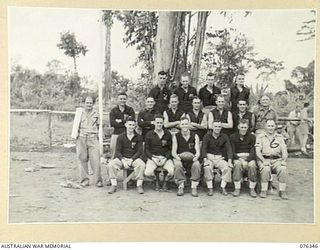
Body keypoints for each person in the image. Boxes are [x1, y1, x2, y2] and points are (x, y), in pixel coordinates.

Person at [107, 117, 145, 194]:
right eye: (129, 124)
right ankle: (114, 184)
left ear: (135, 126)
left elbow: (139, 151)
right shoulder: (121, 136)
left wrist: (131, 159)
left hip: (134, 158)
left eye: (133, 125)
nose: (131, 127)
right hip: (122, 158)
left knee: (142, 165)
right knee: (111, 164)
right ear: (125, 125)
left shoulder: (138, 137)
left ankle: (139, 185)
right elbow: (117, 151)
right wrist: (123, 160)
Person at [71, 95, 103, 188]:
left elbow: (98, 126)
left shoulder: (96, 113)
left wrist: (98, 137)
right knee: (82, 159)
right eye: (87, 103)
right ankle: (84, 180)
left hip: (93, 138)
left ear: (93, 104)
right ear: (84, 103)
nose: (89, 105)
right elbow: (75, 126)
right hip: (81, 137)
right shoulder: (79, 113)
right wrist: (75, 136)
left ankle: (98, 180)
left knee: (96, 159)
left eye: (91, 103)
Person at [255, 119, 289, 199]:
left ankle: (282, 191)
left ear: (275, 127)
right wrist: (263, 161)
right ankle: (264, 190)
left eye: (272, 126)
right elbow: (257, 151)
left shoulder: (280, 137)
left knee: (282, 169)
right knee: (265, 169)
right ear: (265, 127)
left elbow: (284, 151)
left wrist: (284, 161)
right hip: (264, 158)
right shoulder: (260, 137)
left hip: (277, 159)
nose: (270, 128)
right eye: (269, 126)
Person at [201, 120, 233, 196]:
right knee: (207, 167)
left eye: (219, 126)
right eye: (215, 126)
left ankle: (223, 187)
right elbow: (203, 149)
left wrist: (229, 161)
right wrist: (205, 160)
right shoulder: (207, 136)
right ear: (212, 127)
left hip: (220, 158)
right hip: (210, 157)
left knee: (227, 167)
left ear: (221, 127)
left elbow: (229, 149)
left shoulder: (224, 136)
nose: (217, 128)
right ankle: (210, 188)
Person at [144, 115, 175, 191]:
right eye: (157, 122)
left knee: (172, 171)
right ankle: (156, 181)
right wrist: (152, 158)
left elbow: (171, 149)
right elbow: (146, 149)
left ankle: (165, 182)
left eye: (161, 123)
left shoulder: (167, 134)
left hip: (165, 158)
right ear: (154, 123)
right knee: (147, 173)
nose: (159, 124)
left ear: (163, 123)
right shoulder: (149, 134)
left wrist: (166, 158)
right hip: (153, 158)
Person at [172, 117, 201, 197]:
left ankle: (194, 186)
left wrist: (196, 157)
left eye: (186, 124)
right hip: (180, 157)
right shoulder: (176, 136)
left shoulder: (195, 136)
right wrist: (178, 157)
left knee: (197, 164)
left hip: (191, 157)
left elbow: (197, 151)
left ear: (189, 125)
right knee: (177, 165)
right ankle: (181, 186)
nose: (184, 126)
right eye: (183, 124)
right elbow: (173, 152)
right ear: (180, 125)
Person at [230, 119, 257, 197]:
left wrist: (248, 160)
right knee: (237, 165)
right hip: (238, 157)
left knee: (252, 165)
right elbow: (232, 151)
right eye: (241, 127)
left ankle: (252, 188)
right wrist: (240, 159)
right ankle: (237, 188)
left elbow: (253, 151)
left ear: (248, 127)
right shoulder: (233, 137)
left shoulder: (252, 137)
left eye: (245, 127)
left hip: (249, 157)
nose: (243, 129)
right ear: (238, 127)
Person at [109, 92, 135, 159]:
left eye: (124, 99)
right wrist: (125, 121)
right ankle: (113, 164)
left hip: (127, 134)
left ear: (126, 99)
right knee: (114, 151)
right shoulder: (113, 111)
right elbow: (112, 123)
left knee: (128, 152)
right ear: (118, 100)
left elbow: (132, 121)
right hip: (116, 133)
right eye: (121, 99)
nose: (122, 100)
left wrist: (120, 121)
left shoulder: (130, 110)